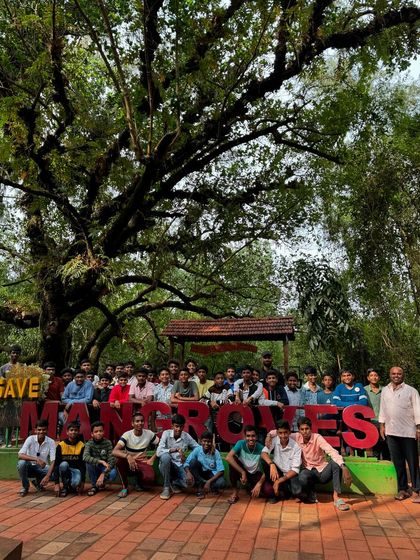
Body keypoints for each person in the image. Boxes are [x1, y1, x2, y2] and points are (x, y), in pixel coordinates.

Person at [378, 366, 420, 503]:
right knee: (398, 462)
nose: (396, 375)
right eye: (394, 373)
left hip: (408, 432)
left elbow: (418, 410)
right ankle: (402, 489)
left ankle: (416, 490)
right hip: (391, 431)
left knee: (412, 462)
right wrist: (382, 425)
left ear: (403, 375)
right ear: (390, 375)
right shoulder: (385, 390)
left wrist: (418, 429)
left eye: (399, 373)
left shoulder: (411, 391)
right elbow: (382, 409)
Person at [292, 417, 352, 510]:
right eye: (302, 429)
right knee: (302, 477)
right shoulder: (296, 437)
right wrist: (269, 436)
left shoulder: (317, 437)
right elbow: (278, 432)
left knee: (335, 463)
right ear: (299, 430)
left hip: (322, 472)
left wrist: (343, 466)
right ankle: (310, 492)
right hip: (308, 471)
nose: (305, 432)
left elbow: (331, 451)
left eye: (307, 429)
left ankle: (336, 497)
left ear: (310, 429)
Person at [112, 412, 159, 498]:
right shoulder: (127, 435)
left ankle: (139, 481)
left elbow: (162, 445)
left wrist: (153, 458)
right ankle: (125, 487)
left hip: (142, 462)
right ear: (132, 423)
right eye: (137, 421)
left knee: (150, 479)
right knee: (119, 461)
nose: (139, 423)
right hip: (130, 463)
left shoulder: (149, 434)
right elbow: (114, 451)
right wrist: (128, 456)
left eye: (141, 421)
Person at [156, 414, 199, 500]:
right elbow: (158, 452)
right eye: (176, 426)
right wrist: (171, 450)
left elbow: (198, 448)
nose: (178, 429)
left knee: (190, 484)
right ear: (172, 426)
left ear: (183, 426)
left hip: (181, 465)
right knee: (165, 457)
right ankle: (166, 487)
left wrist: (187, 457)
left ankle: (174, 483)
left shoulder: (186, 436)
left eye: (181, 427)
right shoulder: (166, 434)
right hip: (167, 465)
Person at [260, 420, 301, 503]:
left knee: (297, 491)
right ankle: (276, 493)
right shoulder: (275, 440)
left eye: (285, 432)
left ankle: (283, 490)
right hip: (276, 472)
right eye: (280, 433)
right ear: (277, 433)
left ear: (289, 432)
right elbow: (263, 453)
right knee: (264, 461)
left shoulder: (296, 446)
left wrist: (279, 480)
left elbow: (295, 470)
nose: (283, 436)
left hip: (288, 476)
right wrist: (272, 464)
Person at [226, 425, 265, 504]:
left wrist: (259, 484)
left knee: (268, 491)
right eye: (248, 436)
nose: (250, 439)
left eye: (253, 436)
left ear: (257, 437)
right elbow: (228, 457)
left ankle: (250, 487)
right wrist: (242, 472)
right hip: (242, 471)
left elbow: (267, 468)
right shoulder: (241, 443)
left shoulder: (261, 448)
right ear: (245, 437)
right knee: (233, 461)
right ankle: (235, 493)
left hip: (254, 473)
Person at [17, 419, 56, 496]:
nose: (41, 432)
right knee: (22, 463)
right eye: (39, 430)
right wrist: (36, 459)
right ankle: (25, 487)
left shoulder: (51, 442)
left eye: (44, 429)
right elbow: (20, 455)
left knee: (55, 472)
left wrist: (48, 476)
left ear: (47, 430)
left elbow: (53, 460)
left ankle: (38, 483)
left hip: (42, 468)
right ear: (35, 430)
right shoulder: (30, 439)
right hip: (29, 467)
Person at [184, 431, 226, 498]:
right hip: (200, 474)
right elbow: (187, 462)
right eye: (204, 441)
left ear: (212, 442)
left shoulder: (216, 452)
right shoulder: (197, 450)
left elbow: (221, 471)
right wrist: (188, 472)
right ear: (201, 441)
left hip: (211, 474)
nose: (206, 443)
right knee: (193, 462)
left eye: (209, 441)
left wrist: (209, 481)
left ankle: (209, 486)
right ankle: (200, 487)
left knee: (221, 483)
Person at [83, 421, 117, 496]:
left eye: (100, 431)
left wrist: (103, 473)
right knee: (89, 463)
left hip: (104, 468)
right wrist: (100, 461)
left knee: (113, 473)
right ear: (92, 434)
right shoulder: (89, 443)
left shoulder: (108, 443)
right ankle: (94, 486)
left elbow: (112, 460)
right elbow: (85, 457)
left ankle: (100, 483)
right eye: (96, 431)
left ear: (103, 432)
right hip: (95, 466)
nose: (99, 433)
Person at [53, 421, 85, 497]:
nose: (73, 432)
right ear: (67, 432)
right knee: (64, 464)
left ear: (78, 432)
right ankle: (65, 487)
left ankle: (71, 485)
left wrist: (82, 481)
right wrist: (56, 484)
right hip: (64, 469)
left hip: (75, 470)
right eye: (71, 430)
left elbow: (82, 465)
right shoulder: (61, 445)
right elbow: (56, 464)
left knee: (75, 484)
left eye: (76, 430)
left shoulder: (81, 445)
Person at [364, 369, 389, 460]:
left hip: (384, 421)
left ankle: (387, 466)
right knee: (375, 446)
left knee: (385, 445)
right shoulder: (364, 390)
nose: (374, 377)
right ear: (368, 378)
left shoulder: (385, 390)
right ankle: (377, 466)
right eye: (371, 375)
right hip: (371, 421)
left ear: (378, 377)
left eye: (376, 375)